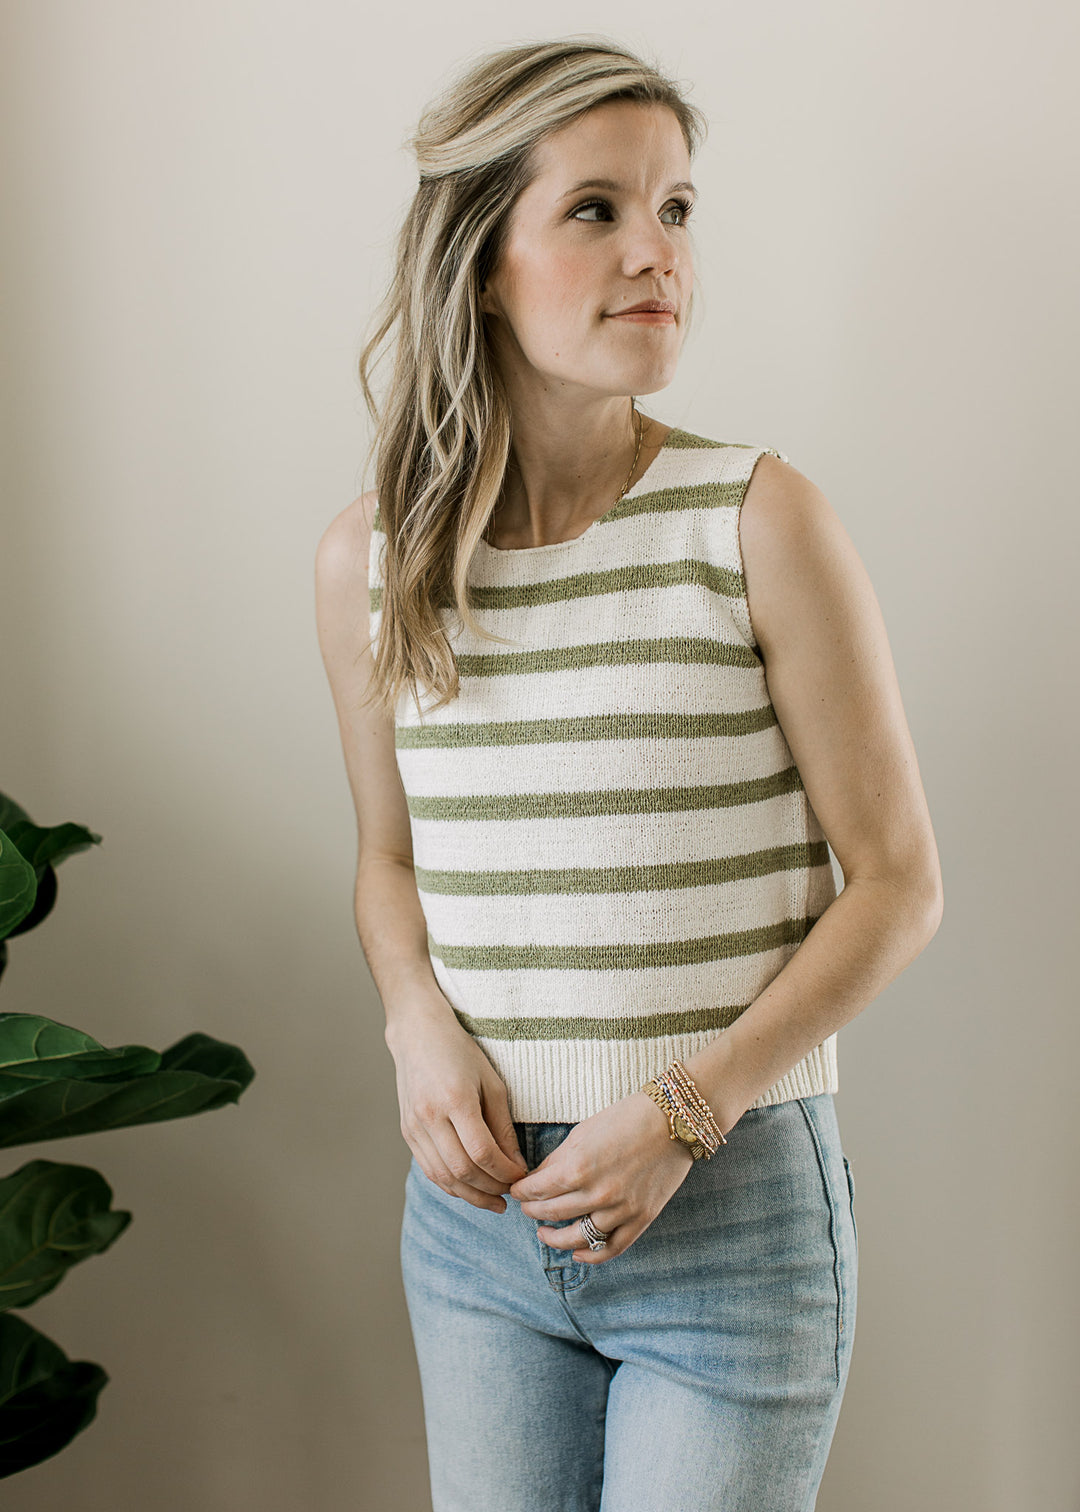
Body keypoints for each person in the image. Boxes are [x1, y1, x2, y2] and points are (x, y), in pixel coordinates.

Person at [315, 36, 943, 1512]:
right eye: (596, 210)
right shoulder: (372, 562)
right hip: (476, 1237)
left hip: (729, 1219)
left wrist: (683, 1112)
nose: (657, 252)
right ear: (481, 262)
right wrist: (414, 1023)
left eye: (675, 209)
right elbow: (389, 860)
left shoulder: (757, 520)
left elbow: (899, 885)